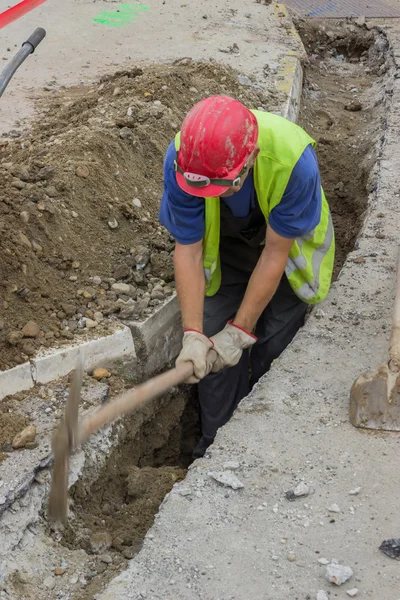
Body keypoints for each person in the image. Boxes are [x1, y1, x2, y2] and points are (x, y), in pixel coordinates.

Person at [159, 95, 334, 458]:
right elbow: (189, 250)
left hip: (285, 250)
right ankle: (217, 446)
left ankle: (265, 435)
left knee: (273, 342)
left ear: (251, 158)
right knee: (210, 347)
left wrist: (239, 333)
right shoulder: (183, 161)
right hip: (227, 246)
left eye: (220, 185)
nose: (210, 193)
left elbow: (274, 253)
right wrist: (194, 334)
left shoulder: (293, 162)